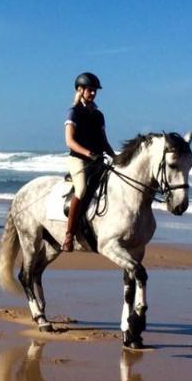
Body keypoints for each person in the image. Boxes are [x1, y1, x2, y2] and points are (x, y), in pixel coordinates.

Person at [63, 72, 115, 251]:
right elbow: (70, 141)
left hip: (97, 160)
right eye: (89, 90)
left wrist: (116, 158)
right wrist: (89, 153)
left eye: (94, 91)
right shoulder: (74, 112)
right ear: (80, 90)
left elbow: (104, 141)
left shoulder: (99, 115)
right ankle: (69, 234)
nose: (93, 93)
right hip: (78, 160)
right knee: (82, 189)